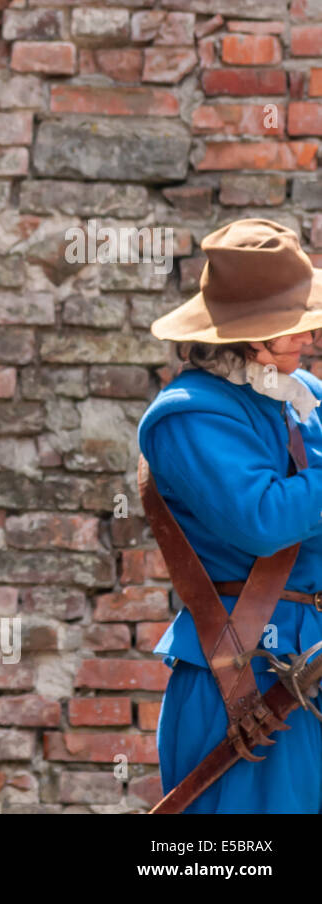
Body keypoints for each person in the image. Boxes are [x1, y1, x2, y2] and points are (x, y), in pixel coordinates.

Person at [138, 217, 322, 813]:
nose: (308, 340)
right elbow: (263, 520)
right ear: (246, 337)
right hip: (243, 679)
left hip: (311, 671)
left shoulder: (300, 396)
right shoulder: (189, 415)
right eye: (290, 329)